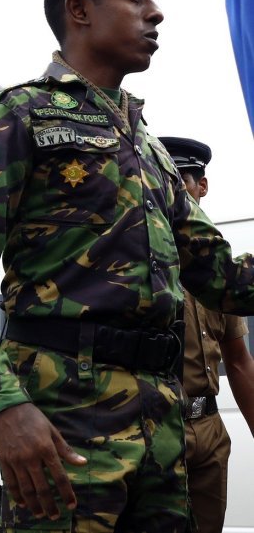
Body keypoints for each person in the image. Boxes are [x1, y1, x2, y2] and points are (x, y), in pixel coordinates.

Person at [0, 0, 254, 532]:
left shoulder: (148, 148)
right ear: (79, 10)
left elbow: (219, 277)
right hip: (63, 421)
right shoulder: (20, 114)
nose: (156, 13)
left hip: (161, 423)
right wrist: (3, 405)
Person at [158, 136, 254, 533]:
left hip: (210, 427)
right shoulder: (143, 260)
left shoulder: (220, 269)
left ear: (202, 186)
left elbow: (239, 360)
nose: (178, 191)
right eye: (170, 183)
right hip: (157, 426)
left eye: (185, 181)